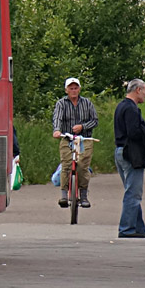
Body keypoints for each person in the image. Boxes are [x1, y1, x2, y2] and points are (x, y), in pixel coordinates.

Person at [114, 78, 145, 238]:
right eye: (144, 90)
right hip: (131, 153)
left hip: (120, 150)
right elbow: (134, 132)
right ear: (137, 90)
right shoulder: (131, 109)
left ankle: (138, 228)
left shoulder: (121, 106)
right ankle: (126, 229)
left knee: (131, 190)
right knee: (133, 192)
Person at [52, 76, 98, 208]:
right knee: (66, 165)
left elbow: (95, 121)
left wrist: (82, 127)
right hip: (67, 138)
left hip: (85, 139)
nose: (73, 90)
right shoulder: (61, 103)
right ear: (66, 90)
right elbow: (57, 118)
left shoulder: (87, 103)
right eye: (71, 88)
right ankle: (64, 195)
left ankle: (83, 195)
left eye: (76, 88)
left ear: (79, 89)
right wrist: (56, 130)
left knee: (83, 166)